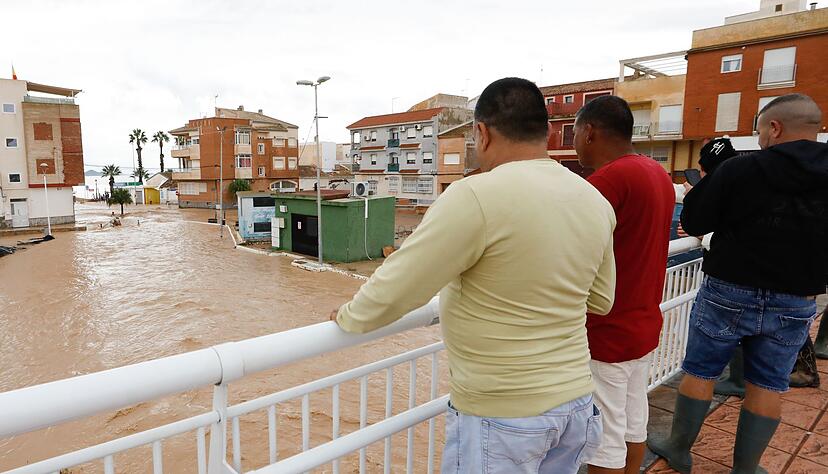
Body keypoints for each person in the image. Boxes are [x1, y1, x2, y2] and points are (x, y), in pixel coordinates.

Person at [331, 77, 617, 473]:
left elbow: (401, 285)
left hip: (504, 413)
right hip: (575, 404)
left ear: (481, 133)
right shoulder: (594, 200)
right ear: (548, 132)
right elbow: (601, 300)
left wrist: (348, 316)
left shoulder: (475, 196)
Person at [648, 93, 828, 474]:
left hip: (729, 290)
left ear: (775, 128)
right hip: (795, 297)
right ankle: (745, 469)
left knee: (701, 373)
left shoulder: (740, 169)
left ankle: (679, 450)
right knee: (768, 385)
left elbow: (694, 222)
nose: (760, 139)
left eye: (761, 131)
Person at [573, 96, 674, 474]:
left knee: (604, 436)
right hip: (643, 322)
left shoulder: (606, 181)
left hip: (608, 330)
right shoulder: (656, 173)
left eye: (577, 135)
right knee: (633, 421)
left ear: (590, 131)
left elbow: (573, 250)